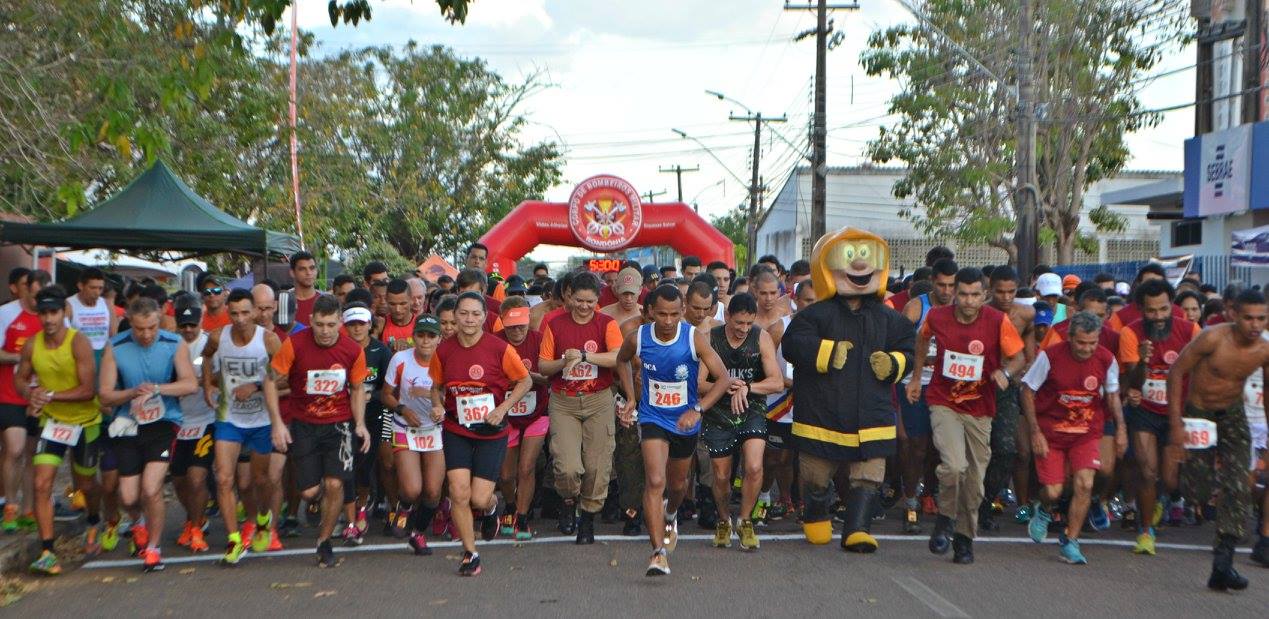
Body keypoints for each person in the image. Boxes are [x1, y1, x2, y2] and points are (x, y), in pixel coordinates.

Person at [784, 229, 915, 553]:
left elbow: (909, 349)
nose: (859, 264)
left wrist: (895, 363)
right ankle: (816, 515)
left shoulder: (889, 318)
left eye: (867, 256)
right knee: (815, 474)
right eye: (848, 257)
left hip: (871, 413)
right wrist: (826, 353)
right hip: (821, 412)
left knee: (869, 474)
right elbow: (792, 345)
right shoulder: (813, 315)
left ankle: (858, 530)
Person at [615, 285, 731, 576]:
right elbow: (621, 360)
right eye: (662, 314)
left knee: (677, 486)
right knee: (655, 481)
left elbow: (723, 379)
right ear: (650, 312)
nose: (668, 321)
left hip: (684, 421)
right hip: (652, 417)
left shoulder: (693, 337)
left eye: (675, 314)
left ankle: (670, 513)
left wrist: (698, 409)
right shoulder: (638, 337)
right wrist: (631, 397)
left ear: (683, 312)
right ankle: (658, 553)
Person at [910, 267, 1024, 565]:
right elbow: (921, 339)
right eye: (963, 294)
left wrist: (1005, 373)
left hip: (980, 408)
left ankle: (964, 539)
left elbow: (1019, 357)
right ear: (954, 294)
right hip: (944, 402)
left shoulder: (997, 321)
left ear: (984, 295)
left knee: (974, 481)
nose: (968, 301)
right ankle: (945, 519)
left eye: (975, 295)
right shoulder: (937, 317)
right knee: (954, 466)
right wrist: (916, 377)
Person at [1164, 289, 1269, 590]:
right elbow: (1176, 373)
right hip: (1199, 414)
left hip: (1234, 416)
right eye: (1248, 318)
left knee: (1238, 487)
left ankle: (1223, 564)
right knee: (1197, 490)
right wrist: (1176, 425)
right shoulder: (1212, 338)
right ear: (1234, 315)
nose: (1255, 325)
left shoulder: (1264, 350)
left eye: (1261, 318)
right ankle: (1180, 492)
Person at [429, 292, 532, 576]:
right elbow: (436, 386)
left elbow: (524, 381)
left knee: (478, 498)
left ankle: (491, 507)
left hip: (491, 431)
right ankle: (470, 553)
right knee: (458, 492)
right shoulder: (444, 350)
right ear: (454, 316)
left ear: (485, 316)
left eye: (475, 314)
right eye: (463, 313)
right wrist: (437, 405)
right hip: (456, 428)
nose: (469, 320)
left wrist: (502, 409)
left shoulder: (499, 349)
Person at [267, 294, 372, 568]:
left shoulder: (352, 350)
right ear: (311, 321)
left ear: (340, 323)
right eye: (320, 324)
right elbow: (269, 380)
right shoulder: (294, 344)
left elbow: (357, 389)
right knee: (309, 492)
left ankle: (324, 542)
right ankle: (315, 500)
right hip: (304, 424)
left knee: (336, 484)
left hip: (339, 425)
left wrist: (360, 424)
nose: (325, 331)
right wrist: (277, 423)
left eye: (331, 325)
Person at [97, 297, 198, 571]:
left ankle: (153, 549)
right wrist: (132, 392)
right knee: (129, 497)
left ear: (159, 320)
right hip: (128, 424)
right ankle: (138, 522)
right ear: (130, 322)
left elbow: (190, 384)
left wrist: (156, 389)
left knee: (151, 489)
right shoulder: (115, 346)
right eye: (140, 329)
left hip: (163, 422)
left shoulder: (173, 343)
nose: (146, 334)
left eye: (152, 327)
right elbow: (104, 394)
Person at [1021, 311, 1126, 565]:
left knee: (1085, 484)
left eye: (1092, 343)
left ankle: (1071, 541)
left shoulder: (1106, 359)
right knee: (1053, 491)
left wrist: (1121, 427)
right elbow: (1027, 390)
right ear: (1069, 338)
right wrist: (1034, 431)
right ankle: (1043, 508)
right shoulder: (1050, 356)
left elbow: (1112, 395)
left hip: (1086, 432)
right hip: (1052, 432)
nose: (1087, 349)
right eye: (1081, 343)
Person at [16, 286, 102, 576]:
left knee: (86, 485)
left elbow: (88, 390)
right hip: (52, 422)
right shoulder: (32, 345)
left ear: (64, 312)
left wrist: (49, 395)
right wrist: (30, 394)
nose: (49, 319)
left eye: (54, 312)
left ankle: (93, 521)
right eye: (43, 313)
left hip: (85, 422)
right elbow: (21, 378)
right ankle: (47, 552)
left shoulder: (78, 342)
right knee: (41, 484)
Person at [1117, 278, 1200, 556]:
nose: (1159, 316)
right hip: (1145, 412)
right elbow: (1133, 382)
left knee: (1170, 479)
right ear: (1141, 310)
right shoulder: (1130, 333)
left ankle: (1160, 499)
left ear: (1172, 306)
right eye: (1151, 311)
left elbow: (1200, 371)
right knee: (1147, 472)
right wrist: (1142, 360)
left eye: (1164, 309)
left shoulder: (1191, 331)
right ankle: (1145, 532)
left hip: (1177, 413)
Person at [204, 288, 285, 565]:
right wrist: (207, 385)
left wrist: (256, 385)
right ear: (228, 312)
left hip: (261, 420)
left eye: (245, 313)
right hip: (229, 418)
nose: (240, 319)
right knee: (224, 479)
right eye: (234, 313)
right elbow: (206, 356)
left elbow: (286, 375)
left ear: (255, 312)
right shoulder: (218, 337)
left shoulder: (269, 340)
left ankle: (263, 518)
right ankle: (234, 540)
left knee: (260, 480)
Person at [539, 273, 622, 541]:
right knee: (567, 466)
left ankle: (588, 517)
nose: (584, 306)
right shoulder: (555, 324)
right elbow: (543, 366)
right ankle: (568, 500)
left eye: (590, 301)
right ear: (569, 297)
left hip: (599, 399)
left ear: (598, 300)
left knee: (597, 465)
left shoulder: (606, 323)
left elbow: (618, 357)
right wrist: (565, 361)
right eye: (579, 300)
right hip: (564, 401)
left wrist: (586, 356)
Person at [700, 293, 784, 550]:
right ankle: (724, 519)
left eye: (749, 323)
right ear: (727, 316)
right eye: (738, 323)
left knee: (755, 467)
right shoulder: (710, 338)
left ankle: (745, 520)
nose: (744, 329)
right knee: (721, 475)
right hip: (718, 411)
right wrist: (726, 386)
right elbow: (698, 383)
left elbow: (777, 382)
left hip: (751, 408)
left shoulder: (761, 337)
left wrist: (747, 387)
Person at [899, 258, 957, 527]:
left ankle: (930, 493)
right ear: (932, 282)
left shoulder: (960, 309)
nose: (947, 291)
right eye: (942, 285)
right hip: (916, 383)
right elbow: (898, 341)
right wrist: (921, 360)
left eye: (952, 286)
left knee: (939, 446)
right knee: (917, 445)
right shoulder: (916, 307)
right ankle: (910, 499)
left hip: (948, 385)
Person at [380, 313, 445, 554]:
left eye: (431, 336)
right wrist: (403, 409)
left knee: (433, 492)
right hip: (405, 427)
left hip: (433, 429)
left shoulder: (446, 360)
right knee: (411, 489)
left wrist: (438, 406)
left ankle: (418, 533)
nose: (426, 341)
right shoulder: (400, 359)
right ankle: (404, 507)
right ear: (413, 337)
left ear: (439, 339)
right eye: (421, 335)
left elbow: (453, 395)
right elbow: (385, 394)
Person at [978, 266, 1036, 532]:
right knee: (976, 450)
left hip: (1007, 389)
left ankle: (986, 502)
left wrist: (1018, 374)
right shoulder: (979, 311)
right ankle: (965, 503)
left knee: (1005, 449)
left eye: (1011, 291)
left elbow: (1028, 354)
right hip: (977, 386)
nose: (1006, 297)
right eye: (1000, 292)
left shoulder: (1026, 314)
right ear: (991, 289)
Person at [496, 298, 550, 540]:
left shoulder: (539, 340)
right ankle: (509, 506)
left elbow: (551, 378)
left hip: (537, 412)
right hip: (506, 414)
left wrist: (527, 377)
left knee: (527, 467)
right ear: (503, 322)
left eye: (522, 325)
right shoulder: (495, 342)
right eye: (512, 326)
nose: (517, 330)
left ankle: (523, 515)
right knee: (507, 475)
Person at [341, 301, 392, 545]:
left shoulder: (381, 351)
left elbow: (390, 388)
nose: (357, 328)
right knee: (344, 468)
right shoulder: (340, 349)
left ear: (370, 324)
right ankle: (349, 518)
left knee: (364, 466)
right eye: (352, 324)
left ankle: (362, 506)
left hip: (373, 416)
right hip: (342, 417)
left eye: (361, 323)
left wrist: (370, 395)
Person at [0, 269, 43, 533]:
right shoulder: (6, 313)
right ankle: (10, 506)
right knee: (14, 449)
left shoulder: (51, 317)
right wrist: (22, 358)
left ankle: (28, 510)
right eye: (29, 287)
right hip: (10, 394)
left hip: (40, 397)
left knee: (31, 453)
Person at [171, 305, 215, 554]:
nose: (188, 330)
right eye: (183, 325)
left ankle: (197, 528)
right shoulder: (171, 345)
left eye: (192, 325)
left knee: (196, 478)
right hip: (178, 422)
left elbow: (220, 376)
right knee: (179, 479)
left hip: (206, 420)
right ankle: (194, 518)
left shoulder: (210, 344)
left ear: (201, 322)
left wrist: (199, 382)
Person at [65, 267, 118, 361]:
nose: (97, 292)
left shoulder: (107, 304)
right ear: (80, 286)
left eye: (100, 288)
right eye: (92, 288)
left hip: (103, 355)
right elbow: (64, 336)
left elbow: (114, 334)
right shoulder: (68, 305)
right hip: (78, 356)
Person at [381, 279, 419, 352]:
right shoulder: (381, 324)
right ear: (386, 300)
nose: (397, 309)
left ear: (411, 300)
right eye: (392, 304)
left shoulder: (420, 324)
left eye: (403, 303)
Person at [290, 251, 321, 327]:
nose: (308, 273)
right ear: (292, 273)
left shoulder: (326, 300)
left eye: (312, 268)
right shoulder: (284, 301)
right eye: (302, 269)